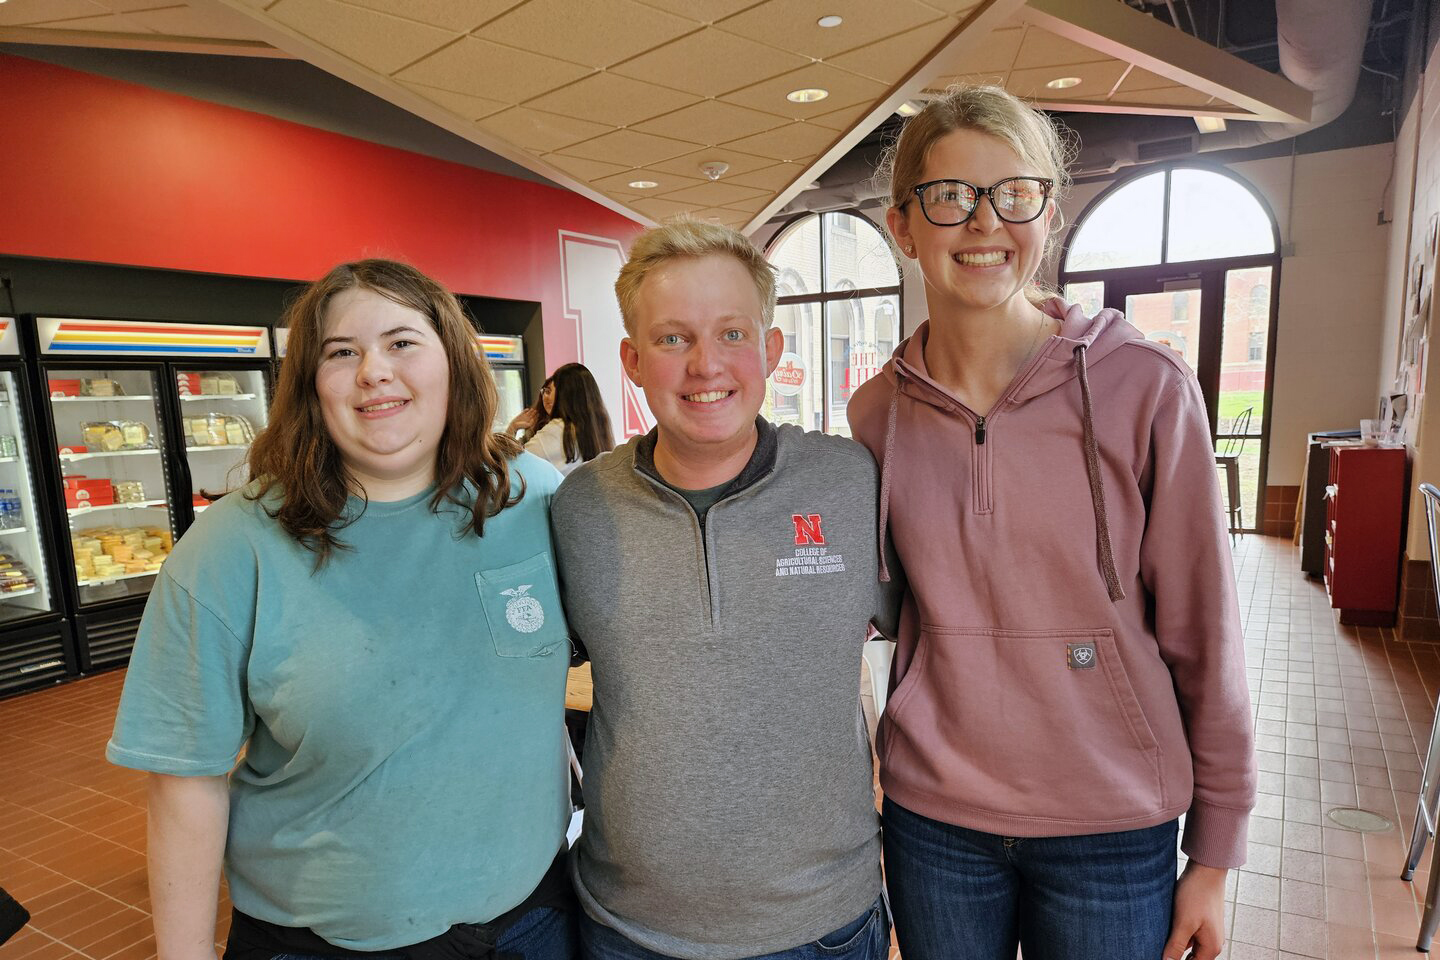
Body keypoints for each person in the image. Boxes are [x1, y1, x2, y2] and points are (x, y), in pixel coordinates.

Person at [847, 84, 1255, 960]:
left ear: (1048, 212)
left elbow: (1206, 632)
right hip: (936, 819)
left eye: (1013, 193)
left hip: (1112, 823)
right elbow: (878, 608)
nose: (983, 222)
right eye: (950, 196)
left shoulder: (1144, 385)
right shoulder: (876, 412)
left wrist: (1216, 851)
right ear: (903, 226)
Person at [107, 259, 576, 960]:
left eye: (401, 343)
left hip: (532, 921)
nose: (373, 372)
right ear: (308, 386)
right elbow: (185, 779)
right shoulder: (233, 547)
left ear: (453, 361)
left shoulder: (535, 498)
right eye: (341, 352)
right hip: (321, 941)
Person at [550, 218, 900, 960]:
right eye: (673, 339)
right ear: (633, 360)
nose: (706, 365)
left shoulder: (850, 483)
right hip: (626, 929)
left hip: (820, 925)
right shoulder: (579, 506)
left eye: (733, 334)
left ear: (771, 349)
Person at [523, 363, 615, 475]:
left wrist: (512, 429)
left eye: (552, 389)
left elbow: (520, 462)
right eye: (546, 391)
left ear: (564, 393)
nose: (548, 397)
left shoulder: (558, 429)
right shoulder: (597, 425)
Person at [508, 374, 555, 443]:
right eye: (547, 391)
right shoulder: (536, 422)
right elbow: (514, 451)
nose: (549, 397)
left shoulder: (567, 428)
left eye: (556, 394)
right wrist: (513, 427)